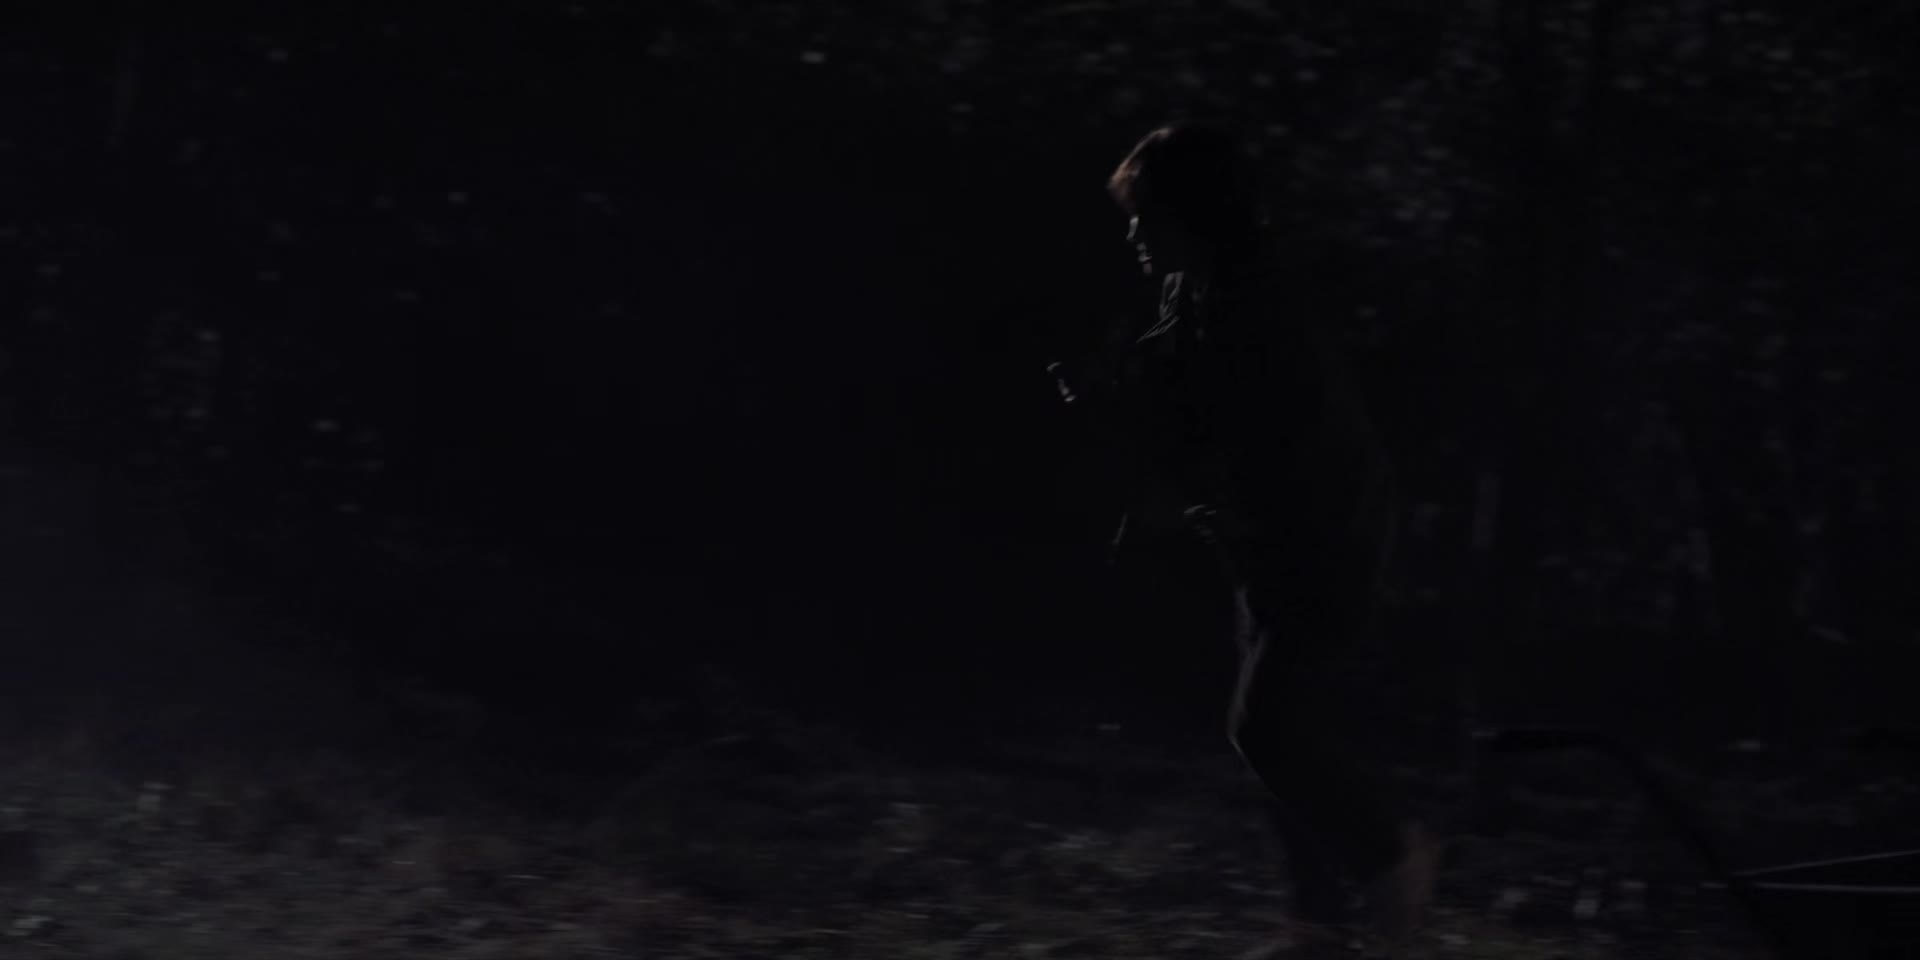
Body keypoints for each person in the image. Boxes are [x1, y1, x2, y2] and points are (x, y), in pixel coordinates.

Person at [1056, 123, 1443, 957]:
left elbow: (1259, 438)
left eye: (1146, 216)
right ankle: (1316, 925)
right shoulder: (1196, 291)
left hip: (1322, 536)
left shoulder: (1259, 312)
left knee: (1266, 726)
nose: (1133, 234)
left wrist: (1184, 497)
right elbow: (1176, 383)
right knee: (1282, 732)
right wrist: (1113, 395)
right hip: (1269, 542)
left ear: (1193, 215)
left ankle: (1391, 858)